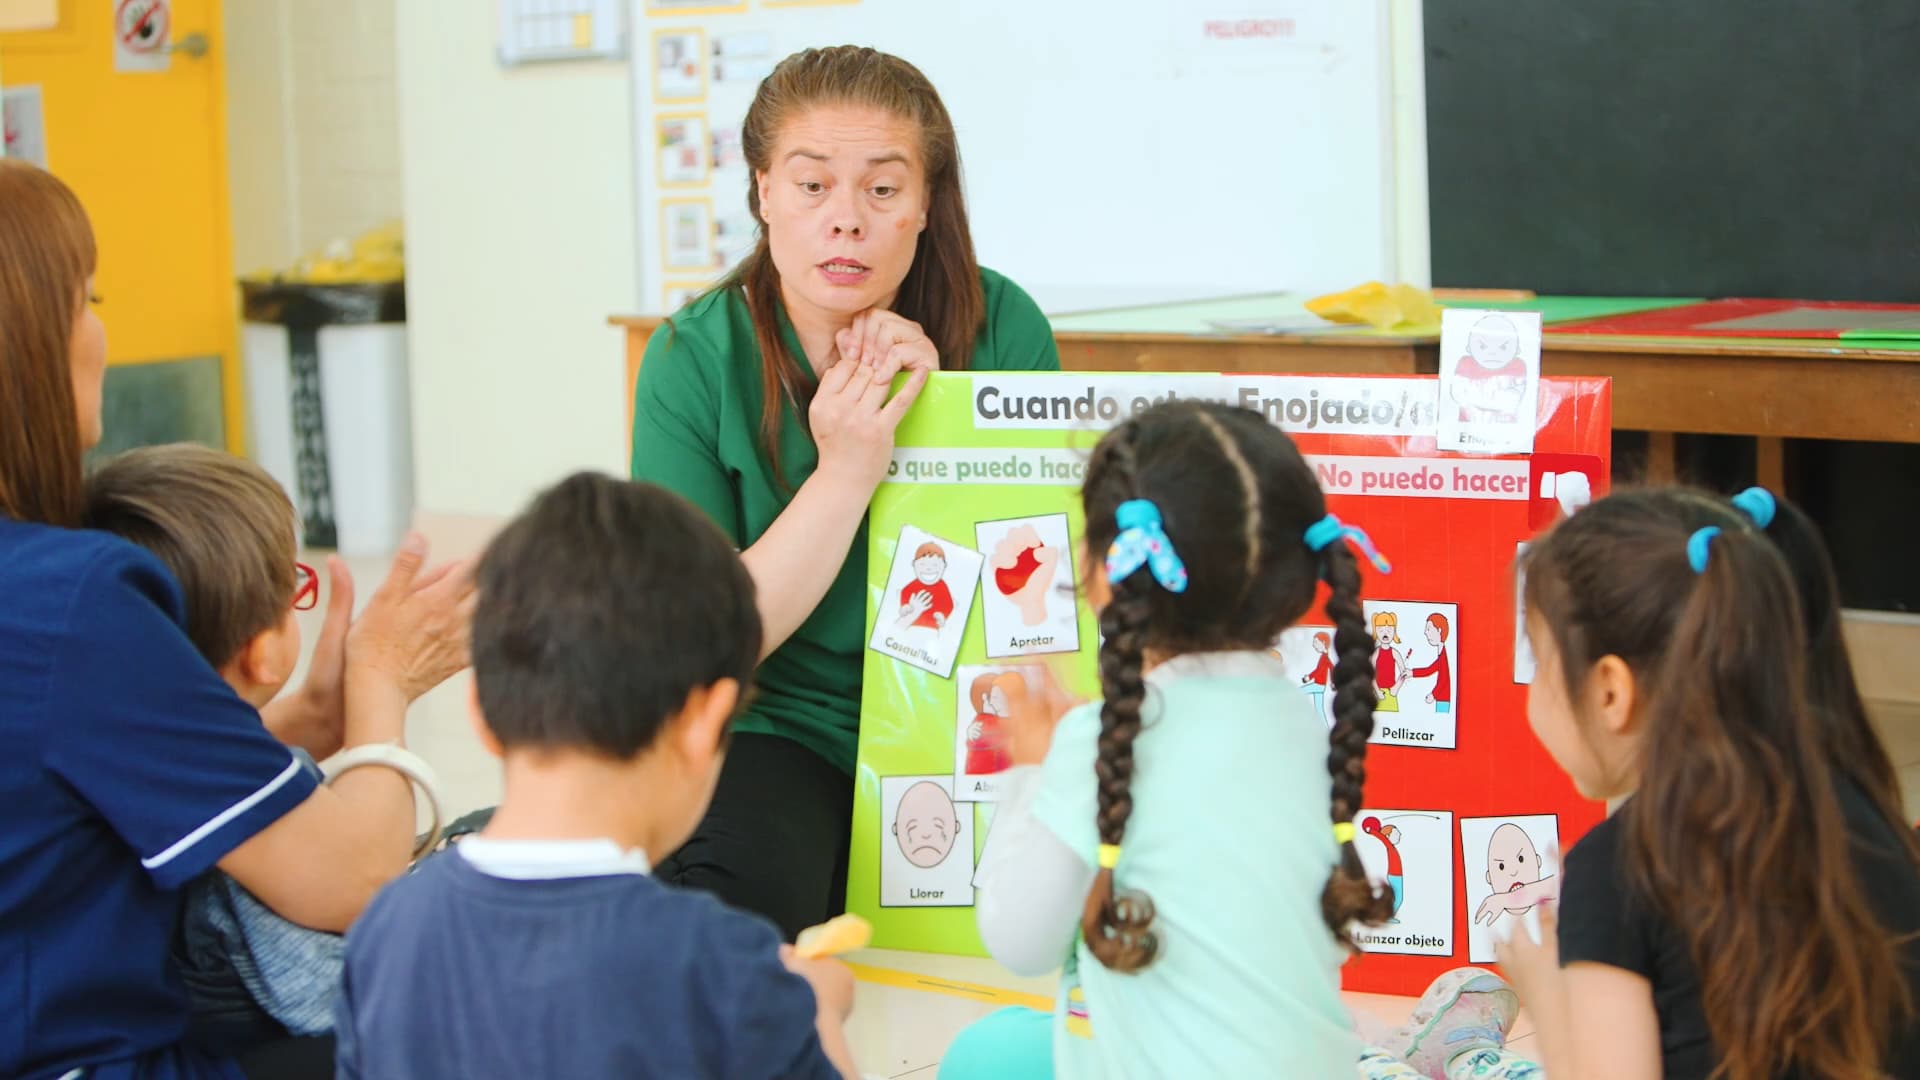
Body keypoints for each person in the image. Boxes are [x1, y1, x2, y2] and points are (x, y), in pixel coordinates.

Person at [0, 158, 472, 1080]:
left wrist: (294, 728)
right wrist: (383, 684)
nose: (98, 329)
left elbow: (54, 802)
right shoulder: (72, 599)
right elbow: (353, 885)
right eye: (87, 299)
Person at [628, 45, 1061, 938]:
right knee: (730, 931)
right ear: (762, 194)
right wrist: (850, 468)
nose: (846, 222)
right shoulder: (692, 359)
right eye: (812, 185)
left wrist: (941, 426)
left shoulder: (1004, 324)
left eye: (882, 189)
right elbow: (706, 645)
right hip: (781, 721)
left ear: (925, 205)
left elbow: (1034, 600)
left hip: (969, 713)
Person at [946, 400, 1421, 1079]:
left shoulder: (1098, 739)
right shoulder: (1305, 725)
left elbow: (1020, 942)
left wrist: (1031, 773)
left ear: (1105, 570)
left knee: (981, 1058)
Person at [333, 474, 859, 1080]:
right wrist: (815, 1015)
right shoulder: (726, 968)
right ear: (705, 722)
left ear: (481, 712)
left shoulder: (387, 930)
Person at [1495, 488, 1920, 1078]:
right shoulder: (1860, 806)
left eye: (1539, 663)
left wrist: (1547, 990)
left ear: (1611, 692)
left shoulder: (1619, 867)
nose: (1533, 689)